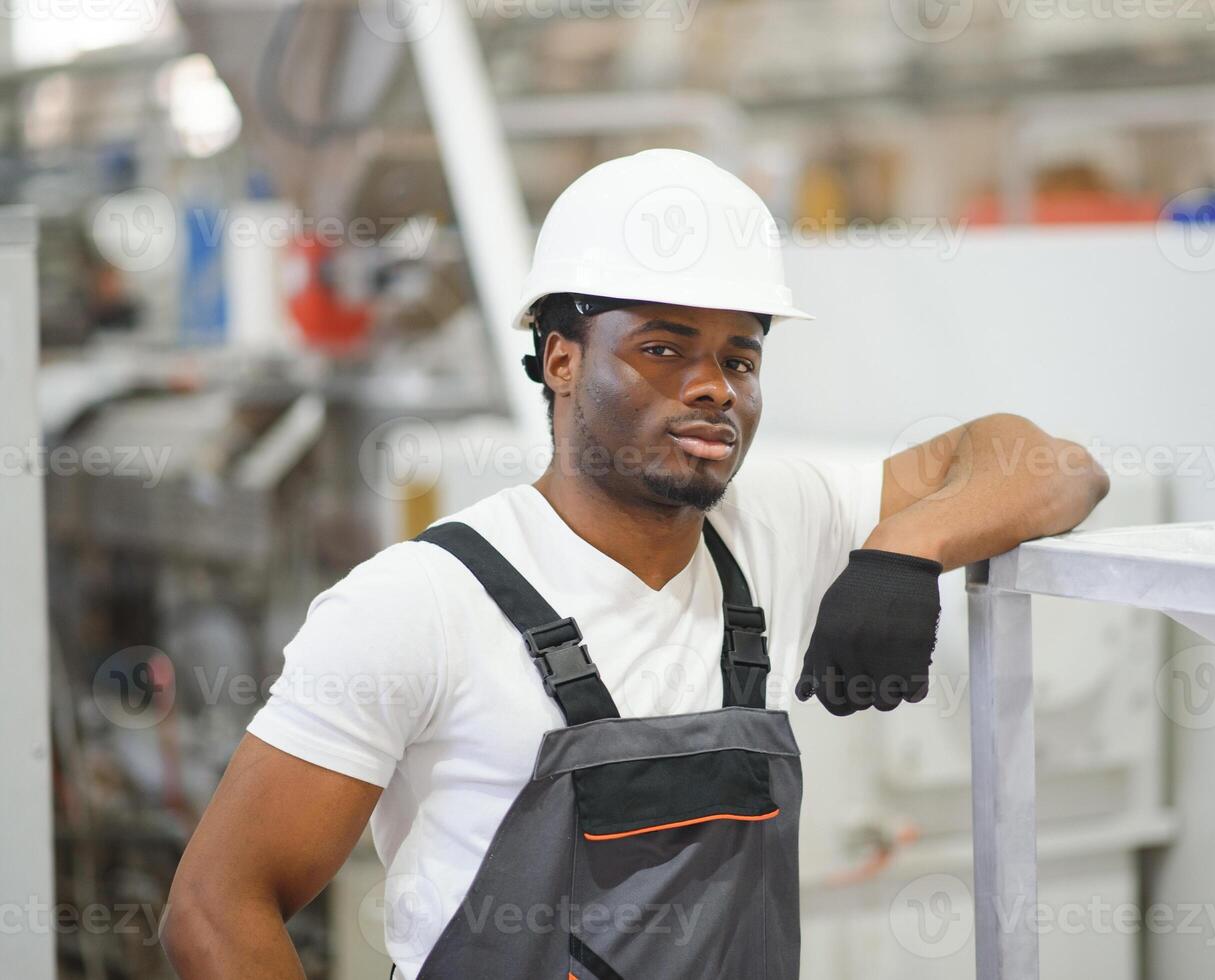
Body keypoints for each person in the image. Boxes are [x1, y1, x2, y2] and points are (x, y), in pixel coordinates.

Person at [162, 148, 1108, 979]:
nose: (712, 387)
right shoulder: (419, 604)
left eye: (740, 359)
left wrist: (906, 550)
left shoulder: (771, 522)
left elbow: (1054, 465)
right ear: (562, 358)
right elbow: (215, 910)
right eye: (663, 348)